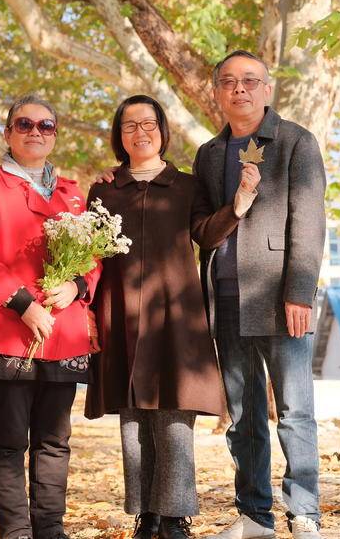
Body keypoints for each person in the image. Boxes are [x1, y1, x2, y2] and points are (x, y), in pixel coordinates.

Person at [85, 95, 259, 539]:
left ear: (162, 130)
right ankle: (146, 514)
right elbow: (90, 255)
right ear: (119, 135)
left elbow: (206, 233)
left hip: (176, 314)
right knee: (134, 417)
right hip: (121, 313)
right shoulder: (104, 190)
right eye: (129, 125)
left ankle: (175, 515)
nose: (140, 132)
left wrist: (240, 202)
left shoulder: (185, 185)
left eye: (148, 123)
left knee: (174, 416)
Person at [195, 51, 326, 539]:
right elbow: (202, 230)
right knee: (243, 416)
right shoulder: (210, 153)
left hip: (279, 299)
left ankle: (304, 511)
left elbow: (309, 222)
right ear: (217, 92)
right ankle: (254, 515)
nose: (240, 89)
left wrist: (300, 293)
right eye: (229, 81)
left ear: (267, 89)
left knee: (295, 411)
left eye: (250, 81)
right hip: (226, 299)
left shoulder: (294, 142)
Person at [0, 94, 100, 539]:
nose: (35, 132)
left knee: (54, 442)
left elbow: (93, 258)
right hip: (9, 330)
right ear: (7, 133)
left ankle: (50, 530)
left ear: (55, 135)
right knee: (8, 442)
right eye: (24, 124)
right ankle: (16, 532)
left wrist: (76, 286)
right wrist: (24, 305)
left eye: (45, 125)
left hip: (63, 332)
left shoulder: (73, 194)